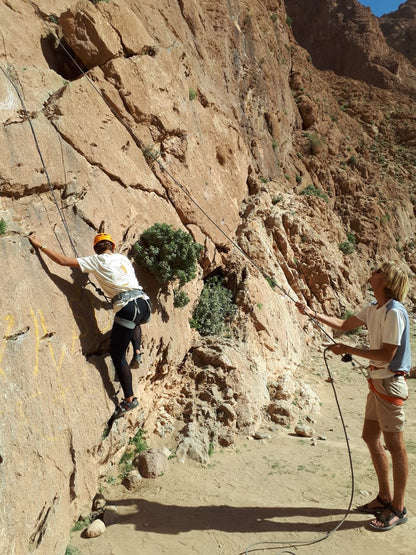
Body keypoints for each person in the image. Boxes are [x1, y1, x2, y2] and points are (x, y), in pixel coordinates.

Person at [296, 262, 410, 532]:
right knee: (370, 437)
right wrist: (312, 313)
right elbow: (344, 324)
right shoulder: (374, 308)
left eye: (380, 270)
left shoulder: (394, 312)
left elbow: (386, 355)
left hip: (390, 384)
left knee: (395, 445)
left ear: (388, 280)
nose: (373, 270)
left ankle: (398, 507)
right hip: (377, 383)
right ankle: (384, 496)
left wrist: (349, 349)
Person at [29, 233, 151, 420]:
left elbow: (62, 261)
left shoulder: (95, 261)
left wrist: (40, 245)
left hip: (127, 308)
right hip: (144, 304)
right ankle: (137, 351)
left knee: (118, 355)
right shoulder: (122, 258)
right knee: (134, 322)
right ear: (113, 245)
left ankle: (129, 398)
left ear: (96, 249)